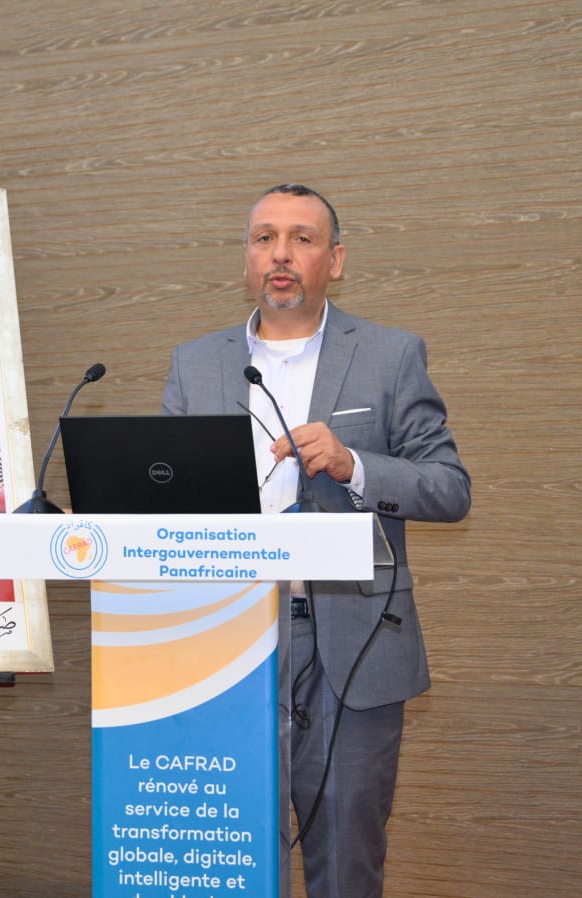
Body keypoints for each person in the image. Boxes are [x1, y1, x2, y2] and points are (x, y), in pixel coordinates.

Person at [162, 184, 471, 898]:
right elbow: (169, 500)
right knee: (231, 862)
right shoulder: (195, 364)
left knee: (346, 865)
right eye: (264, 238)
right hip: (225, 640)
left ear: (335, 260)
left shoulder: (390, 356)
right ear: (247, 257)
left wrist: (353, 463)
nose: (280, 254)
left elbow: (450, 488)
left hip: (351, 645)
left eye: (301, 239)